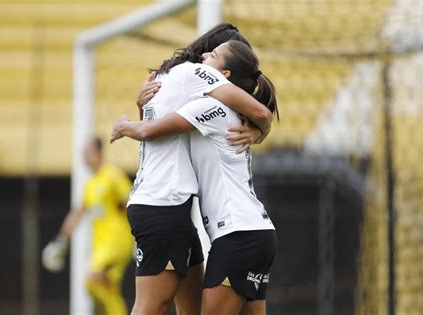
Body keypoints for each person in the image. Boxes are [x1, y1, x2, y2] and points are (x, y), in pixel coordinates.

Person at [112, 23, 274, 315]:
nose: (203, 58)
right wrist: (260, 132)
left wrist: (125, 125)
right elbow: (259, 113)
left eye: (213, 56)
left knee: (156, 306)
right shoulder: (212, 103)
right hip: (255, 231)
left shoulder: (200, 103)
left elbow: (153, 131)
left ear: (221, 75)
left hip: (228, 230)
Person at [42, 137, 134, 315]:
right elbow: (77, 213)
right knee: (106, 288)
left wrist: (140, 235)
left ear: (99, 153)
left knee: (91, 280)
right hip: (101, 244)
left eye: (88, 152)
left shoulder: (113, 175)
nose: (84, 156)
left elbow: (130, 203)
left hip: (118, 241)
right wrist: (60, 241)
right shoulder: (90, 185)